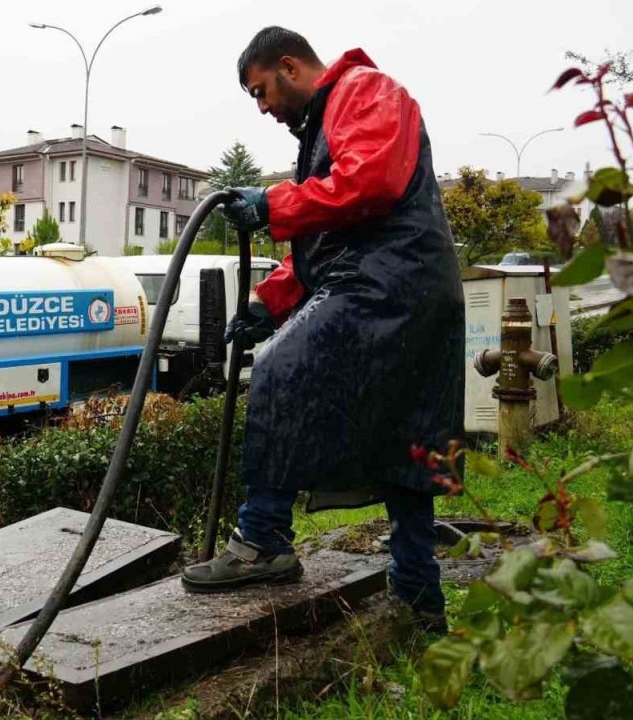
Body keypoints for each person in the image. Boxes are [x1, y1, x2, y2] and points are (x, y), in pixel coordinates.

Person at [179, 27, 465, 630]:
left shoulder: (365, 90)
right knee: (405, 443)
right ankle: (420, 601)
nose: (262, 109)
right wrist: (266, 302)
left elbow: (371, 183)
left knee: (283, 368)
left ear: (289, 67)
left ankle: (263, 539)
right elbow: (327, 237)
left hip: (392, 284)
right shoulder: (326, 123)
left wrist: (274, 203)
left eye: (261, 92)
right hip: (401, 285)